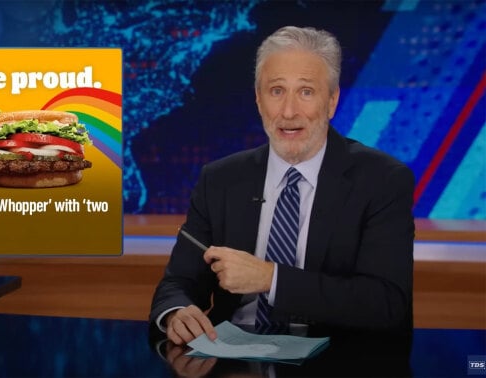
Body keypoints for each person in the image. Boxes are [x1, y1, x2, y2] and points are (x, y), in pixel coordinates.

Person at [149, 25, 415, 346]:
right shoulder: (219, 180)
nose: (289, 111)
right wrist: (177, 312)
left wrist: (270, 279)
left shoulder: (383, 180)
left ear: (331, 101)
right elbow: (178, 282)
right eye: (276, 91)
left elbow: (385, 302)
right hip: (233, 358)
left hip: (337, 360)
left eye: (306, 91)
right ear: (259, 101)